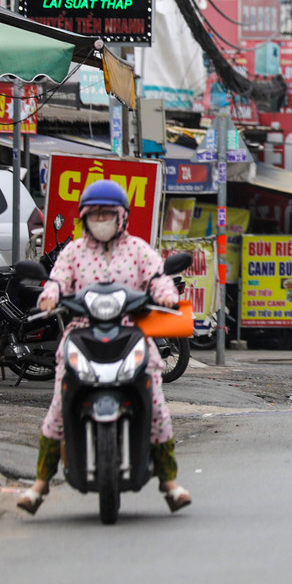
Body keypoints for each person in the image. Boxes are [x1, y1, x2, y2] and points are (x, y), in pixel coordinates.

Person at [17, 180, 190, 515]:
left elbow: (158, 276)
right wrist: (50, 296)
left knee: (156, 404)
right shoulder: (73, 252)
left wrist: (165, 292)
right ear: (84, 216)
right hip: (81, 333)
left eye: (107, 214)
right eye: (94, 214)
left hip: (131, 332)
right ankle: (39, 486)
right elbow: (55, 281)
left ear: (121, 217)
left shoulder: (139, 249)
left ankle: (169, 484)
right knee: (58, 406)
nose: (101, 219)